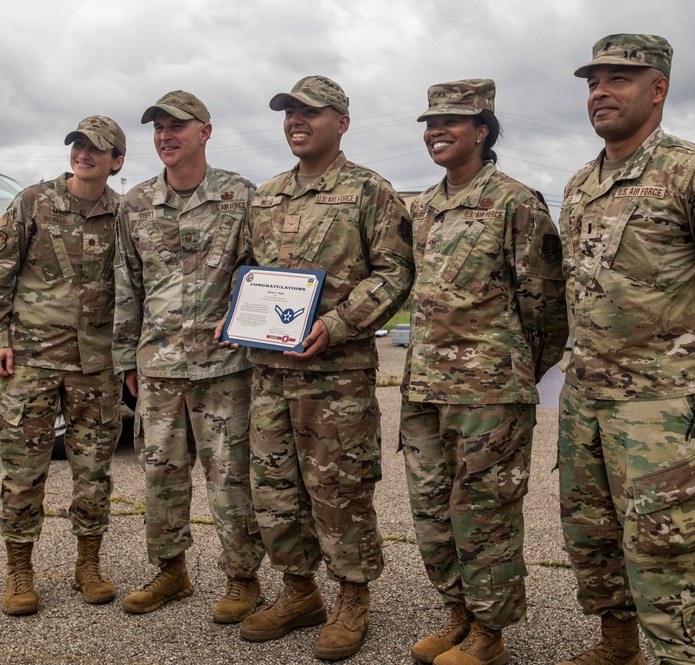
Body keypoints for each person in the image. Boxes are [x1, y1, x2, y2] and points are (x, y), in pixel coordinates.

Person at [556, 34, 695, 665]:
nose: (601, 91)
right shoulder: (581, 182)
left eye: (619, 79)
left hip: (660, 403)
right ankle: (618, 642)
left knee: (664, 546)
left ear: (660, 88)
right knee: (591, 537)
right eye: (594, 80)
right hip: (587, 397)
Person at [232, 75, 414, 660]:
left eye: (309, 112)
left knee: (339, 490)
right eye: (288, 112)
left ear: (342, 120)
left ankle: (353, 596)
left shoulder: (369, 191)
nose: (295, 121)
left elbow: (395, 272)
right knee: (275, 488)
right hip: (268, 374)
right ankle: (298, 590)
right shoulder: (265, 194)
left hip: (335, 378)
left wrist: (336, 325)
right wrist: (233, 314)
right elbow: (247, 272)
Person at [400, 79, 568, 665]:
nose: (436, 131)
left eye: (451, 121)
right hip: (424, 389)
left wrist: (514, 370)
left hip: (490, 394)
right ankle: (457, 614)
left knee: (485, 515)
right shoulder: (422, 207)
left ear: (483, 130)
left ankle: (489, 633)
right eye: (429, 122)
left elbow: (546, 307)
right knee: (430, 510)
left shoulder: (517, 202)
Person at [112, 90, 266, 622]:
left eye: (176, 126)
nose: (165, 135)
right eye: (157, 127)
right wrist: (125, 360)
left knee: (230, 479)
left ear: (205, 130)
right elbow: (126, 282)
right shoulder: (134, 204)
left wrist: (245, 321)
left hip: (224, 368)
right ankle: (170, 572)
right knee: (160, 477)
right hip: (157, 367)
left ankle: (242, 578)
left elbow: (262, 272)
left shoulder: (241, 196)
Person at [0, 115, 126, 615]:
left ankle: (89, 564)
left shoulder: (124, 214)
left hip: (95, 365)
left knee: (93, 472)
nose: (84, 153)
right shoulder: (33, 201)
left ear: (116, 161)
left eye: (96, 149)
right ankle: (20, 571)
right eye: (78, 144)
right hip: (30, 360)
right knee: (22, 472)